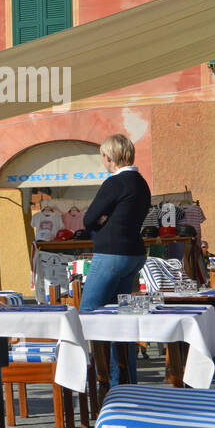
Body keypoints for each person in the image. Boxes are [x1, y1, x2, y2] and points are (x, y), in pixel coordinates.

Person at [78, 133, 151, 384]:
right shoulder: (142, 182)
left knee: (88, 314)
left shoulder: (114, 183)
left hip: (111, 254)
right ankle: (125, 382)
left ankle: (95, 380)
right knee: (121, 319)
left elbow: (88, 219)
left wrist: (101, 221)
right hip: (135, 253)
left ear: (108, 157)